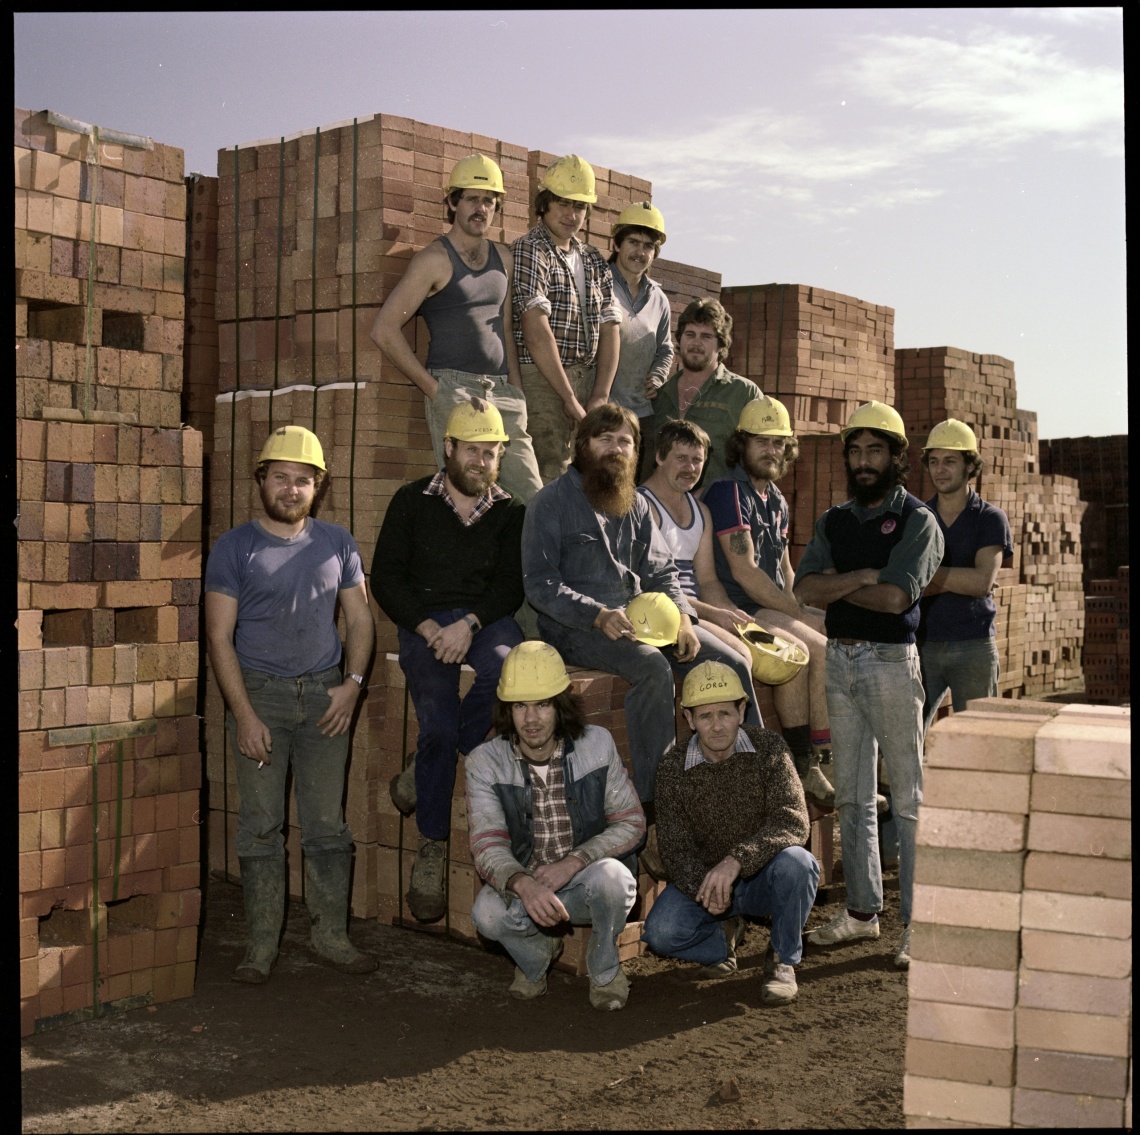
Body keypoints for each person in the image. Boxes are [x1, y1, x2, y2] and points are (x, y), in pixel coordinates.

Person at [520, 403, 760, 865]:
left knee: (733, 661)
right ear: (582, 446)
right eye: (604, 439)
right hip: (576, 628)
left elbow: (663, 572)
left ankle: (748, 787)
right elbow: (540, 584)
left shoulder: (631, 503)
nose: (614, 449)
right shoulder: (550, 502)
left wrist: (684, 618)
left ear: (636, 452)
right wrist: (596, 614)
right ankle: (658, 815)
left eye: (624, 441)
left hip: (647, 620)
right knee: (652, 668)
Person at [204, 425, 377, 982]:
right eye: (280, 477)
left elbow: (359, 619)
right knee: (260, 825)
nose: (291, 489)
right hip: (262, 698)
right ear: (262, 480)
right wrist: (244, 715)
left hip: (326, 696)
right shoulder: (234, 548)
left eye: (303, 480)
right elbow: (218, 637)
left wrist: (352, 683)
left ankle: (330, 937)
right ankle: (261, 948)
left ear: (318, 488)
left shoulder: (337, 542)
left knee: (327, 823)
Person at [793, 402, 944, 970]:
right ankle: (862, 913)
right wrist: (859, 577)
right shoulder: (835, 520)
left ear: (897, 457)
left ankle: (920, 923)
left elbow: (897, 598)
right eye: (855, 451)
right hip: (841, 661)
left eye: (875, 451)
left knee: (907, 798)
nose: (863, 461)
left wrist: (838, 586)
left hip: (889, 663)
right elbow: (805, 588)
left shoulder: (917, 522)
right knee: (853, 795)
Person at [371, 402, 526, 923]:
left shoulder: (510, 511)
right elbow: (387, 577)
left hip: (484, 621)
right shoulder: (411, 501)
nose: (482, 461)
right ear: (450, 448)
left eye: (492, 451)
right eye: (473, 449)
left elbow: (510, 586)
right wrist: (429, 626)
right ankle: (431, 847)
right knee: (436, 728)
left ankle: (421, 771)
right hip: (426, 621)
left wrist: (470, 625)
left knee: (510, 670)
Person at [467, 642, 643, 1011]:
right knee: (485, 914)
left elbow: (631, 822)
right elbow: (486, 845)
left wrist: (575, 861)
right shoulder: (485, 762)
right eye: (519, 706)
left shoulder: (596, 745)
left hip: (585, 881)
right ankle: (535, 960)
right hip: (528, 886)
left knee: (615, 878)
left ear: (560, 704)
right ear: (507, 710)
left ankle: (606, 971)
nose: (531, 719)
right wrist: (521, 882)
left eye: (542, 704)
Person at [641, 662, 818, 1005]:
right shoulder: (672, 768)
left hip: (763, 876)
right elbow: (675, 850)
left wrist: (736, 860)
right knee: (660, 933)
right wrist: (708, 891)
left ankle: (783, 960)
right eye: (705, 717)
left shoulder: (770, 749)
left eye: (725, 713)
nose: (717, 726)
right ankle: (724, 940)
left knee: (800, 863)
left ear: (742, 711)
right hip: (708, 885)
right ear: (689, 720)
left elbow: (793, 820)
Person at [370, 154, 543, 502]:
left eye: (489, 201)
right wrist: (436, 391)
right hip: (456, 390)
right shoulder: (433, 260)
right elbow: (384, 329)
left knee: (531, 501)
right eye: (472, 199)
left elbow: (505, 330)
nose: (481, 208)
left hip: (502, 391)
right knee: (469, 499)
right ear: (453, 202)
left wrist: (517, 393)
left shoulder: (503, 258)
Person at [702, 396, 835, 805]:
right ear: (742, 444)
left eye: (778, 442)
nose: (771, 450)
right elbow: (744, 570)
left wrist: (804, 607)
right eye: (762, 441)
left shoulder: (775, 498)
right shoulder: (728, 492)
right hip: (743, 606)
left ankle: (831, 754)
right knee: (815, 649)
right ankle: (811, 764)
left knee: (833, 633)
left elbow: (783, 568)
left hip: (773, 602)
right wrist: (797, 614)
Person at [511, 154, 622, 483]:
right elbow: (535, 331)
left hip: (585, 380)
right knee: (549, 476)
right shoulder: (531, 249)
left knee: (586, 477)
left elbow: (610, 325)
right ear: (544, 203)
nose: (572, 215)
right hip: (543, 380)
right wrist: (568, 398)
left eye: (580, 206)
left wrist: (600, 394)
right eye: (563, 204)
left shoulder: (591, 258)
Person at [918, 419, 1013, 733]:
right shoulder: (918, 517)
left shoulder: (989, 518)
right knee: (905, 743)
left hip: (973, 646)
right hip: (922, 645)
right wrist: (959, 578)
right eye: (934, 461)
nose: (940, 470)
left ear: (969, 465)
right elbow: (905, 583)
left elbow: (980, 583)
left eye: (949, 461)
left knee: (979, 742)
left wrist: (926, 578)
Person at [643, 298, 760, 490]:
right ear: (679, 340)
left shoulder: (743, 393)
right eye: (690, 334)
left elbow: (758, 461)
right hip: (663, 510)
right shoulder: (660, 394)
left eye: (706, 336)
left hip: (719, 510)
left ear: (721, 345)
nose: (696, 343)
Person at [606, 202, 674, 470]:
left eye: (648, 246)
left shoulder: (659, 299)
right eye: (633, 242)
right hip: (603, 410)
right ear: (618, 244)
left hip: (642, 415)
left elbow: (665, 350)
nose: (640, 252)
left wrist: (658, 375)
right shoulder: (599, 283)